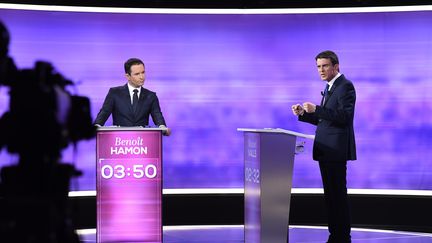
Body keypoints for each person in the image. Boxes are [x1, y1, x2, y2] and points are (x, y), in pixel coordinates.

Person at [291, 50, 356, 243]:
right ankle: (335, 232)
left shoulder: (345, 86)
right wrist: (303, 113)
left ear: (336, 66)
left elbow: (344, 117)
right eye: (318, 66)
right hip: (326, 149)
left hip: (335, 150)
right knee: (330, 194)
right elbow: (324, 121)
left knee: (337, 193)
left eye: (325, 65)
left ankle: (342, 234)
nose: (321, 70)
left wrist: (318, 109)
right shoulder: (330, 87)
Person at [94, 58, 171, 135]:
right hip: (119, 141)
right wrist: (96, 126)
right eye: (137, 74)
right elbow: (104, 112)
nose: (142, 77)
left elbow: (157, 114)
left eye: (143, 72)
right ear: (128, 76)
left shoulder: (151, 96)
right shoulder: (114, 93)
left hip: (142, 141)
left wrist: (163, 127)